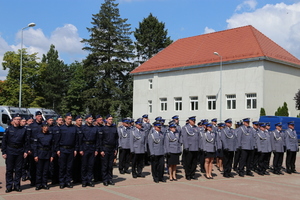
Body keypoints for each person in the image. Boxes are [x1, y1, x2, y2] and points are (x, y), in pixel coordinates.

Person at [2, 113, 29, 193]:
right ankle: (9, 186)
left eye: (19, 119)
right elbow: (4, 141)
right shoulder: (8, 129)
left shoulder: (23, 129)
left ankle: (17, 185)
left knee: (18, 169)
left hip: (20, 151)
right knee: (9, 169)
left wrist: (25, 151)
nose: (18, 121)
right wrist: (4, 152)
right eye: (17, 119)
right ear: (13, 120)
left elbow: (26, 142)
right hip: (10, 150)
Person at [56, 113, 79, 189]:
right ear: (65, 119)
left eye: (71, 119)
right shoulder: (61, 128)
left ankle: (68, 181)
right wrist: (58, 149)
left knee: (69, 167)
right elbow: (57, 140)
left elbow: (76, 140)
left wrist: (76, 149)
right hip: (62, 149)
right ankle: (62, 182)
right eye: (68, 119)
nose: (70, 120)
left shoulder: (74, 128)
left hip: (71, 149)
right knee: (62, 167)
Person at [79, 114, 99, 187]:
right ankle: (84, 180)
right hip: (84, 147)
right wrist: (80, 149)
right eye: (89, 119)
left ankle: (89, 180)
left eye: (92, 119)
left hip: (92, 147)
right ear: (86, 120)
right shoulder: (83, 128)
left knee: (91, 165)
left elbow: (97, 140)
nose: (91, 120)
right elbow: (80, 140)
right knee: (84, 165)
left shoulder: (95, 128)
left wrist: (96, 149)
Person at [99, 114, 118, 186]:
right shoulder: (103, 129)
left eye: (111, 119)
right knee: (105, 165)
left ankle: (110, 179)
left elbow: (116, 139)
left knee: (110, 165)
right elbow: (100, 140)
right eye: (109, 119)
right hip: (105, 148)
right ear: (106, 120)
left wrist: (116, 149)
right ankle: (105, 179)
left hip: (112, 148)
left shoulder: (114, 128)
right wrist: (101, 150)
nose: (111, 120)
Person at [34, 123, 55, 190]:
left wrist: (52, 155)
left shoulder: (50, 135)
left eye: (47, 126)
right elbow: (35, 146)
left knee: (46, 170)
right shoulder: (38, 135)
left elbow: (52, 146)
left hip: (47, 153)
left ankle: (44, 183)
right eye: (45, 126)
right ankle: (38, 184)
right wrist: (35, 155)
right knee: (39, 170)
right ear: (42, 127)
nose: (46, 128)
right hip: (40, 153)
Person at [27, 111, 44, 186]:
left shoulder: (44, 125)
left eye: (41, 116)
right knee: (32, 166)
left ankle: (40, 181)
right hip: (33, 147)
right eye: (38, 116)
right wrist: (29, 149)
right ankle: (33, 180)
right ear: (35, 117)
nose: (40, 117)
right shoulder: (31, 125)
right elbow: (28, 138)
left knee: (41, 166)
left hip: (41, 148)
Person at [182, 116, 199, 180]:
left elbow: (198, 138)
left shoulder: (196, 128)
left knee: (194, 162)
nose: (194, 122)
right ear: (189, 121)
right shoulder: (185, 128)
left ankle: (192, 174)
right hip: (189, 147)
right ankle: (188, 174)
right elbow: (185, 138)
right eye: (192, 121)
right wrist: (186, 146)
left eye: (194, 121)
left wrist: (199, 146)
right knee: (188, 162)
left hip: (195, 147)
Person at [73, 115, 83, 184]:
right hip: (75, 149)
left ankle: (80, 178)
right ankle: (75, 178)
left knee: (81, 164)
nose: (80, 122)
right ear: (76, 121)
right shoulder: (74, 128)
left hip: (82, 148)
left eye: (81, 120)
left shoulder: (83, 128)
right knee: (75, 165)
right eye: (79, 120)